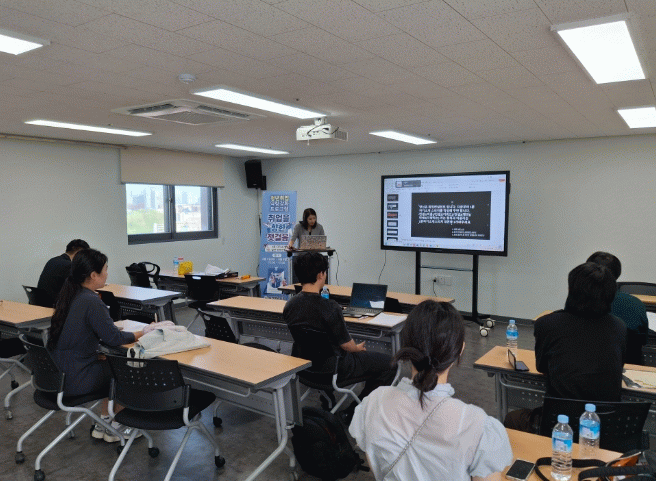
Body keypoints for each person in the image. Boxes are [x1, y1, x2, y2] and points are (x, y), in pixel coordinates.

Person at [349, 300, 512, 481]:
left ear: (405, 346)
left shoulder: (373, 403)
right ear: (460, 350)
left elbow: (376, 469)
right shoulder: (477, 426)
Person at [504, 262, 627, 431]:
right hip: (606, 426)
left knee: (512, 418)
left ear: (571, 290)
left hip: (559, 424)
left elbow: (542, 367)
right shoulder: (619, 327)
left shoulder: (547, 324)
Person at [48, 248, 146, 443]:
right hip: (76, 378)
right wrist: (141, 333)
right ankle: (117, 426)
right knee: (125, 370)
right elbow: (113, 338)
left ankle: (104, 423)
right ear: (93, 275)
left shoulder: (70, 295)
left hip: (57, 374)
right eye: (105, 269)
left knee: (109, 364)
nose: (107, 273)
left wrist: (93, 354)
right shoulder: (91, 300)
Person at [283, 252, 396, 418]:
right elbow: (347, 346)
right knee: (391, 364)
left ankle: (328, 398)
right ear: (321, 275)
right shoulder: (330, 307)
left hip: (306, 368)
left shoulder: (289, 305)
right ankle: (355, 411)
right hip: (334, 369)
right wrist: (357, 348)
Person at [587, 251, 649, 365]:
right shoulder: (636, 304)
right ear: (618, 273)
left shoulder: (577, 302)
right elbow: (643, 341)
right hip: (628, 366)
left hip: (585, 365)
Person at [37, 239, 89, 307]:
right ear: (79, 253)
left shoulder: (53, 260)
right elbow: (79, 287)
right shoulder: (69, 265)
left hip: (41, 302)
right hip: (53, 305)